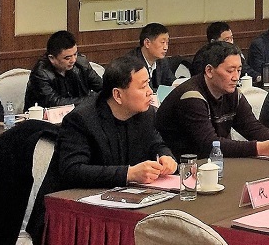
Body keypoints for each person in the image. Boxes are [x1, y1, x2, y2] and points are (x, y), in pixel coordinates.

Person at [155, 41, 269, 158]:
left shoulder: (232, 93)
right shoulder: (191, 96)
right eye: (230, 71)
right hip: (179, 164)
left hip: (211, 162)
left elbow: (252, 128)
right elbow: (209, 144)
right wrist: (258, 148)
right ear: (209, 71)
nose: (236, 77)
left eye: (239, 70)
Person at [54, 55, 178, 189]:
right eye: (143, 87)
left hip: (130, 194)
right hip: (80, 196)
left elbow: (156, 144)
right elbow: (72, 170)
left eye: (148, 83)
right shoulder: (81, 120)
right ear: (117, 95)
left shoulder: (146, 114)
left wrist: (166, 157)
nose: (150, 92)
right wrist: (128, 174)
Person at [23, 30, 102, 110]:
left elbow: (102, 87)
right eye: (67, 58)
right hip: (46, 116)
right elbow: (55, 103)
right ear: (52, 58)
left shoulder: (81, 63)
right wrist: (91, 99)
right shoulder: (41, 73)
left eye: (75, 54)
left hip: (80, 112)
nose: (73, 60)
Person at [124, 23, 175, 90]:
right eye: (162, 42)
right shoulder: (132, 64)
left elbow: (171, 82)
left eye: (167, 43)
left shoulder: (162, 61)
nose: (166, 47)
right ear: (147, 43)